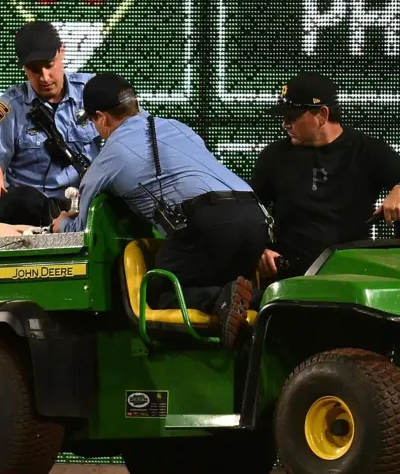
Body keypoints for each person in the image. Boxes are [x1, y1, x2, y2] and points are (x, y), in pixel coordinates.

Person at [54, 73, 268, 349]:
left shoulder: (108, 159)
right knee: (227, 286)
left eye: (94, 123)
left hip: (210, 224)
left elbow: (82, 231)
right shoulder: (178, 127)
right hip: (255, 217)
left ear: (102, 118)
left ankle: (223, 299)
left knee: (155, 293)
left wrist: (60, 225)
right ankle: (271, 300)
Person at [251, 72, 400, 282]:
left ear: (322, 114)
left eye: (293, 117)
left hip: (350, 276)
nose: (285, 124)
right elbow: (250, 212)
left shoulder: (366, 150)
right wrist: (260, 250)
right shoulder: (274, 156)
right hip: (289, 277)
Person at [0, 21, 101, 225]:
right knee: (19, 201)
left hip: (88, 205)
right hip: (32, 214)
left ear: (62, 52)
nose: (44, 77)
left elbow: (131, 135)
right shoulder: (9, 107)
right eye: (34, 70)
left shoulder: (93, 92)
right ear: (23, 67)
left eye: (49, 65)